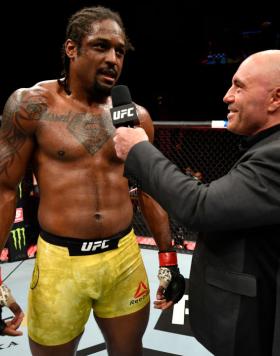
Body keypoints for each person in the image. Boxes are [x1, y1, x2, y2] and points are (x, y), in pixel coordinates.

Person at [0, 6, 185, 356]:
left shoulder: (135, 117)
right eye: (101, 46)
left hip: (124, 258)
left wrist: (167, 258)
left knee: (129, 351)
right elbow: (5, 189)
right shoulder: (32, 105)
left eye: (119, 51)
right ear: (72, 49)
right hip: (60, 262)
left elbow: (148, 187)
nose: (113, 58)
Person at [113, 49, 280, 356]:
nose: (227, 96)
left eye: (238, 86)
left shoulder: (275, 154)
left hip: (256, 328)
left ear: (275, 99)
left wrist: (139, 149)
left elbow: (201, 207)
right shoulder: (265, 147)